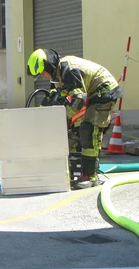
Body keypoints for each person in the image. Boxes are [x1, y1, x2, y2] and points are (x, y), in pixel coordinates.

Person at [27, 48, 121, 189]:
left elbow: (79, 98)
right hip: (91, 93)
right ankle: (76, 172)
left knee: (89, 130)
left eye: (42, 73)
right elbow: (57, 97)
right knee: (76, 131)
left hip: (103, 92)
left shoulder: (68, 71)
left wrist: (63, 117)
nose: (43, 76)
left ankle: (90, 176)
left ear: (49, 66)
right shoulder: (57, 75)